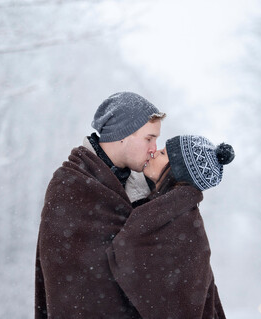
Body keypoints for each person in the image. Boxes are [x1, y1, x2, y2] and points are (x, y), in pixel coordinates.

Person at [35, 92, 166, 318]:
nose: (154, 148)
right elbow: (67, 282)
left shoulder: (147, 186)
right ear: (123, 135)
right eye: (149, 138)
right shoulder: (70, 185)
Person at [106, 135, 234, 319]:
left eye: (164, 153)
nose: (154, 152)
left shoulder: (180, 224)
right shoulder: (168, 212)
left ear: (177, 170)